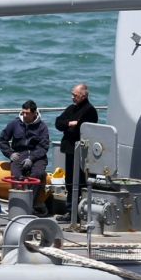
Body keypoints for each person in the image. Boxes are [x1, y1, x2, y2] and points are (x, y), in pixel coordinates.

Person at [55, 83, 98, 223]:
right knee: (69, 181)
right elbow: (58, 123)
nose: (72, 97)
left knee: (80, 182)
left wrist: (69, 126)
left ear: (83, 96)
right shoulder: (71, 108)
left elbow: (80, 129)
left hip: (82, 152)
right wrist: (69, 124)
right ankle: (70, 209)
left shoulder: (90, 111)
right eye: (72, 94)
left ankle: (80, 211)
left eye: (75, 95)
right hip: (70, 150)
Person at [0, 100, 49, 206]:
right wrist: (10, 153)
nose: (24, 115)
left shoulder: (42, 127)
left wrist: (32, 159)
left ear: (35, 113)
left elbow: (43, 146)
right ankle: (16, 204)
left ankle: (30, 205)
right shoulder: (14, 123)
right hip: (19, 154)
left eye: (28, 113)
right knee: (16, 176)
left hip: (37, 156)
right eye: (23, 112)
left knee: (37, 174)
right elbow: (2, 140)